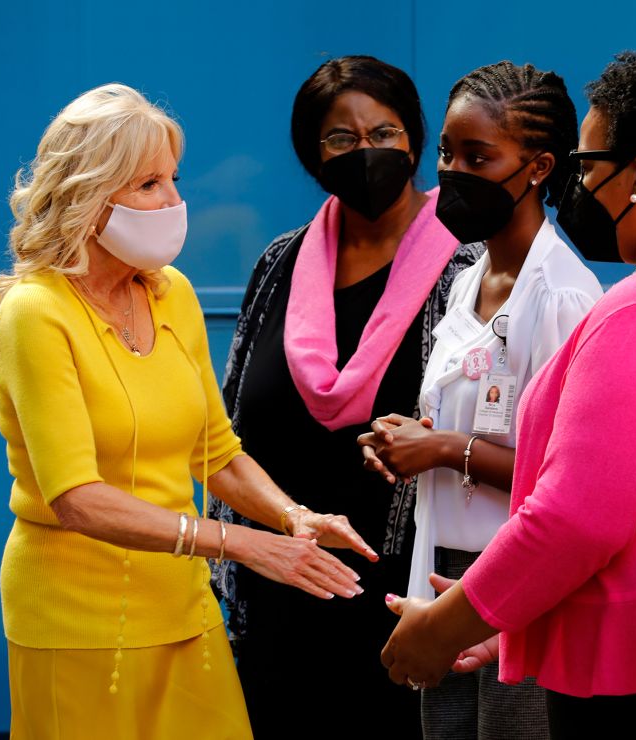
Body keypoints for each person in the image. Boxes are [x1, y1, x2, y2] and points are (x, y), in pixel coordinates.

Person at [380, 49, 636, 739]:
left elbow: (576, 520)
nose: (575, 188)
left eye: (588, 168)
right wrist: (505, 631)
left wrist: (442, 629)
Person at [0, 84, 376, 739]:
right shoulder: (37, 313)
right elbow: (75, 497)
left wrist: (292, 518)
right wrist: (240, 545)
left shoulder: (175, 295)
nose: (173, 202)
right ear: (89, 195)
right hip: (74, 621)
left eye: (174, 179)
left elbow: (214, 451)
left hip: (182, 609)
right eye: (148, 185)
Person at [208, 56, 481, 737]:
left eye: (385, 133)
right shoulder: (279, 264)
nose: (368, 153)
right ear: (312, 154)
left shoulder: (473, 268)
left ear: (416, 142)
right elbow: (224, 425)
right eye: (342, 139)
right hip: (278, 600)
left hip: (408, 610)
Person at [359, 61, 602, 739]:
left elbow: (569, 483)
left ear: (537, 167)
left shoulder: (562, 297)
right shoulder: (469, 279)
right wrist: (413, 441)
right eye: (445, 152)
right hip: (444, 572)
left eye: (478, 156)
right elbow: (477, 423)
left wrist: (442, 449)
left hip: (518, 586)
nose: (450, 172)